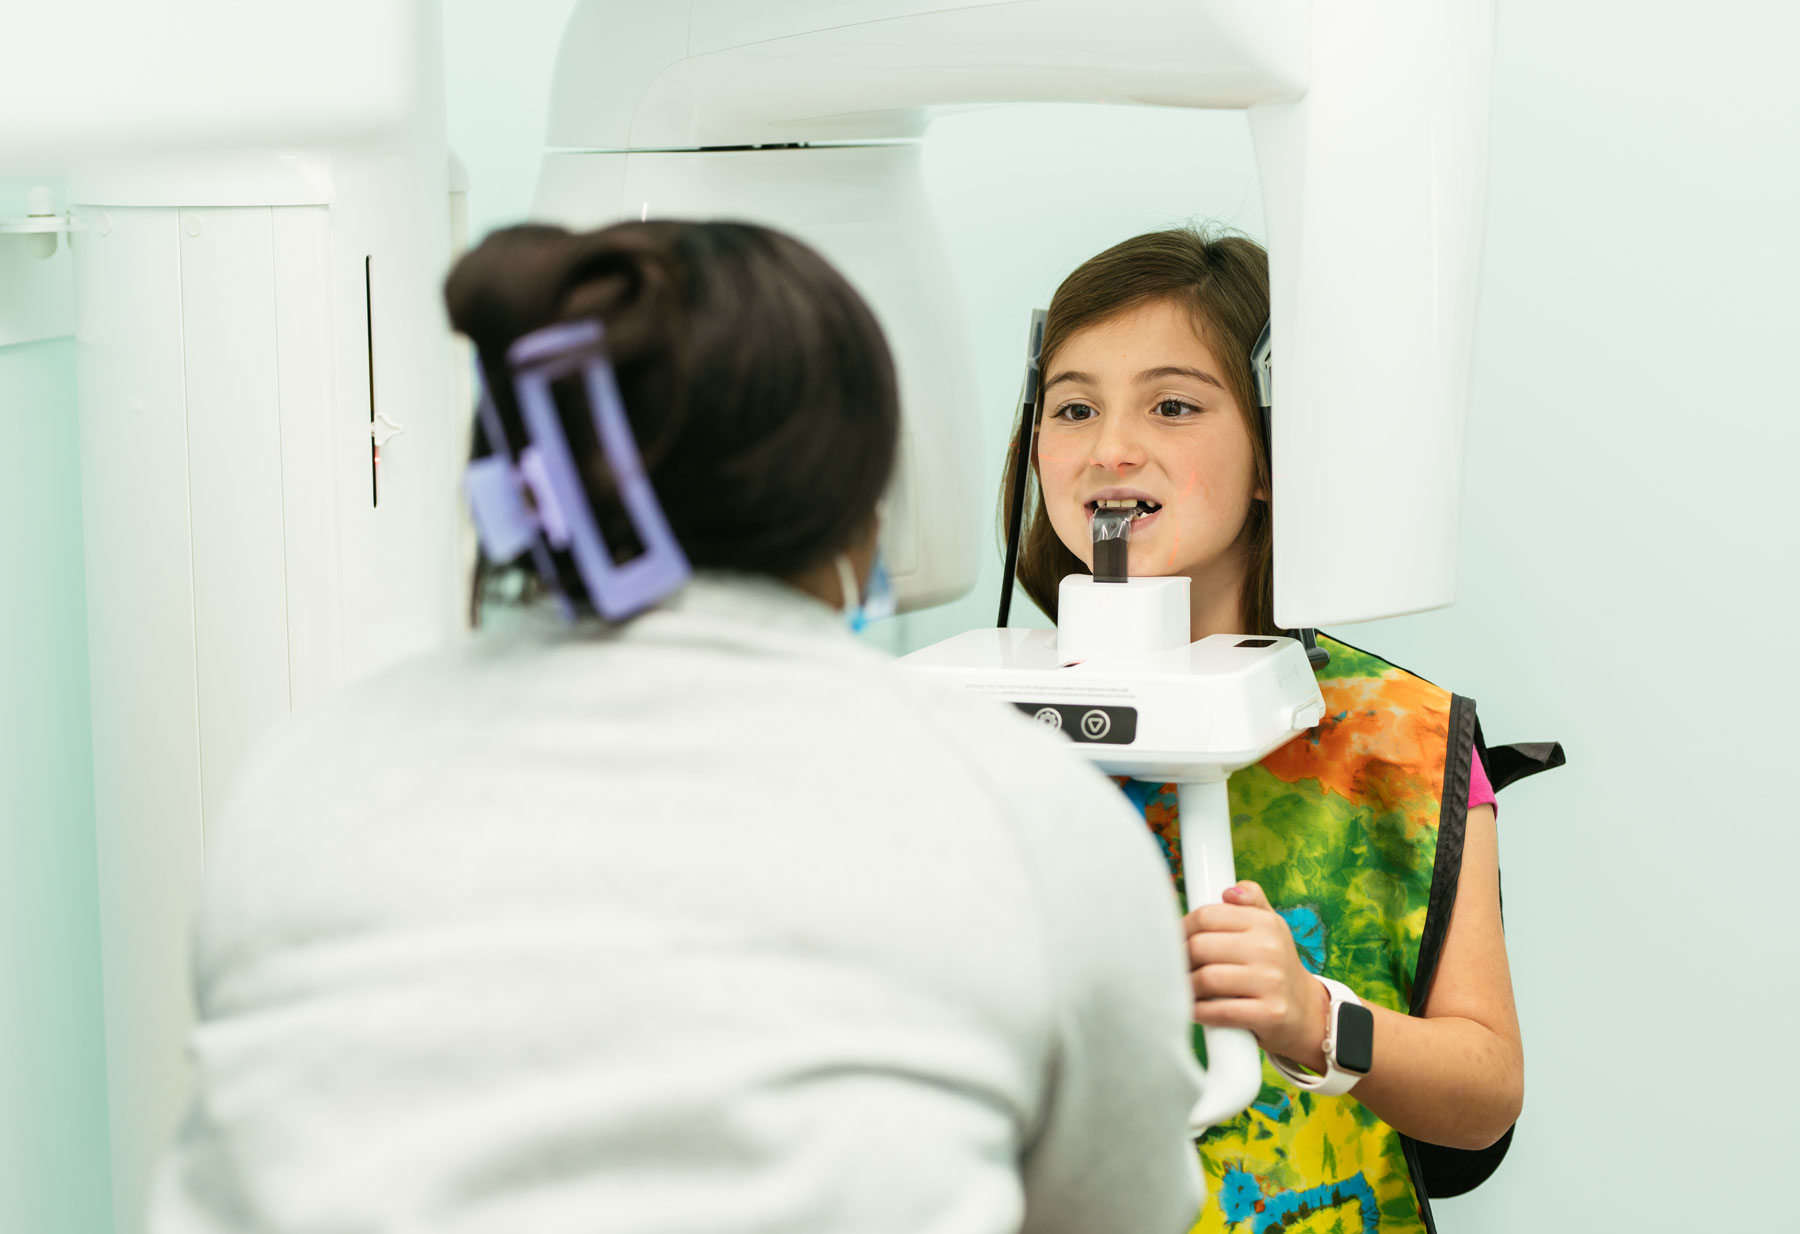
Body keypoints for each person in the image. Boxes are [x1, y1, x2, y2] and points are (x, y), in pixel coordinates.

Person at [149, 221, 1205, 1234]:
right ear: (864, 510)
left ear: (522, 493)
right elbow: (1119, 1210)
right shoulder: (1028, 821)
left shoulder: (307, 777)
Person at [1001, 228, 1560, 1233]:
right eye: (1073, 406)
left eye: (1172, 405)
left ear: (1271, 452)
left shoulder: (1406, 743)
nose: (1109, 447)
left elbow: (1484, 1096)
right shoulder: (977, 729)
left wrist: (1314, 1017)